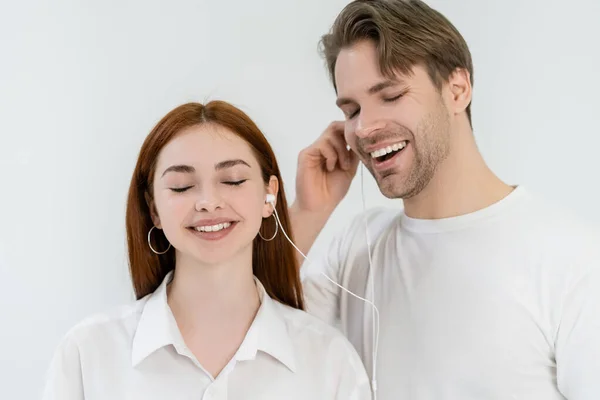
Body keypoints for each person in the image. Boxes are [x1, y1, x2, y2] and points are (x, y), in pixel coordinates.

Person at [289, 1, 600, 399]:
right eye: (352, 110)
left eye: (391, 94)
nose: (364, 128)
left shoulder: (573, 260)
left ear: (457, 90)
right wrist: (308, 212)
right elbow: (239, 339)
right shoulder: (356, 247)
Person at [41, 101, 372, 399]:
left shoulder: (330, 361)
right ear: (154, 208)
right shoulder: (89, 353)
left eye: (232, 180)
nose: (208, 202)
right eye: (182, 186)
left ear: (269, 196)